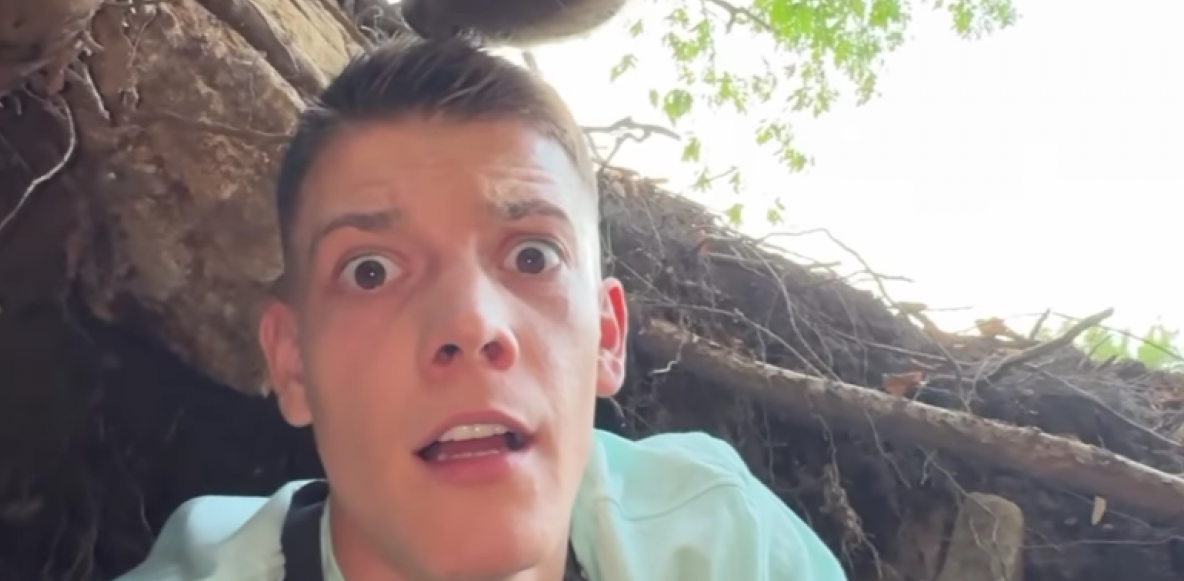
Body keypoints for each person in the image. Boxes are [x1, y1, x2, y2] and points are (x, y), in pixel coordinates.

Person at [114, 34, 848, 581]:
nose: (469, 325)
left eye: (531, 257)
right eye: (370, 271)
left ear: (606, 335)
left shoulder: (719, 542)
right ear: (292, 362)